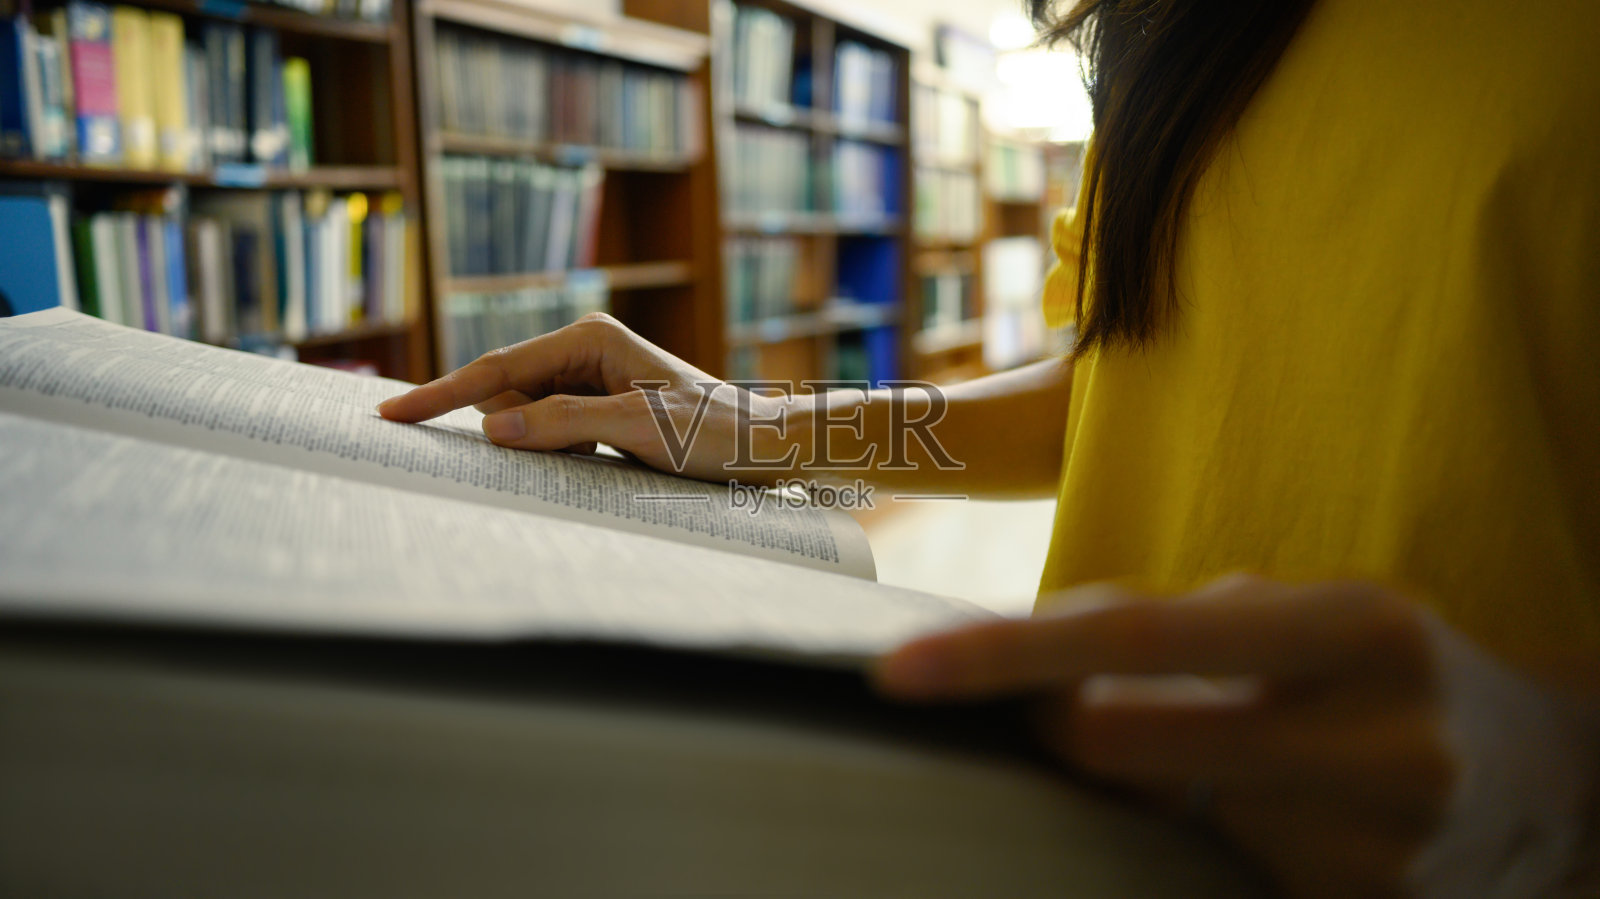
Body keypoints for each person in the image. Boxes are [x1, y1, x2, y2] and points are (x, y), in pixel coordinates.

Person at [379, 0, 1600, 894]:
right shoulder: (1172, 27)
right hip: (1111, 822)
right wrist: (756, 426)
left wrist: (1562, 776)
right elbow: (1125, 372)